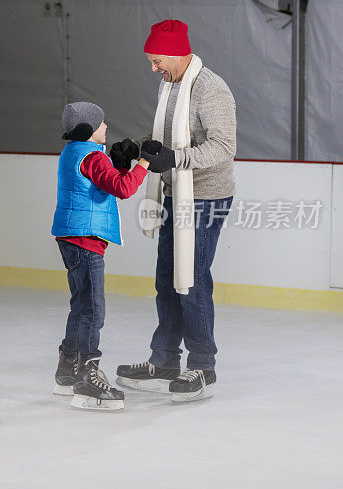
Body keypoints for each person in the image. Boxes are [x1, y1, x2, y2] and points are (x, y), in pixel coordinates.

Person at [114, 20, 236, 402]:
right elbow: (163, 142)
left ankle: (202, 366)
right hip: (176, 194)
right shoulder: (171, 85)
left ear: (175, 53)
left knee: (192, 279)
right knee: (167, 277)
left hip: (206, 197)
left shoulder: (210, 89)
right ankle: (164, 360)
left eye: (156, 61)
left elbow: (222, 147)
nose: (154, 68)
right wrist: (135, 148)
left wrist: (175, 159)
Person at [50, 102, 149, 410]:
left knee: (81, 306)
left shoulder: (73, 152)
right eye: (103, 124)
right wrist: (144, 163)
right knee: (93, 309)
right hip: (85, 241)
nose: (107, 128)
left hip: (71, 236)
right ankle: (87, 374)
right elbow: (121, 189)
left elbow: (99, 187)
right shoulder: (92, 156)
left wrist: (118, 164)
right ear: (89, 129)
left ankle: (68, 368)